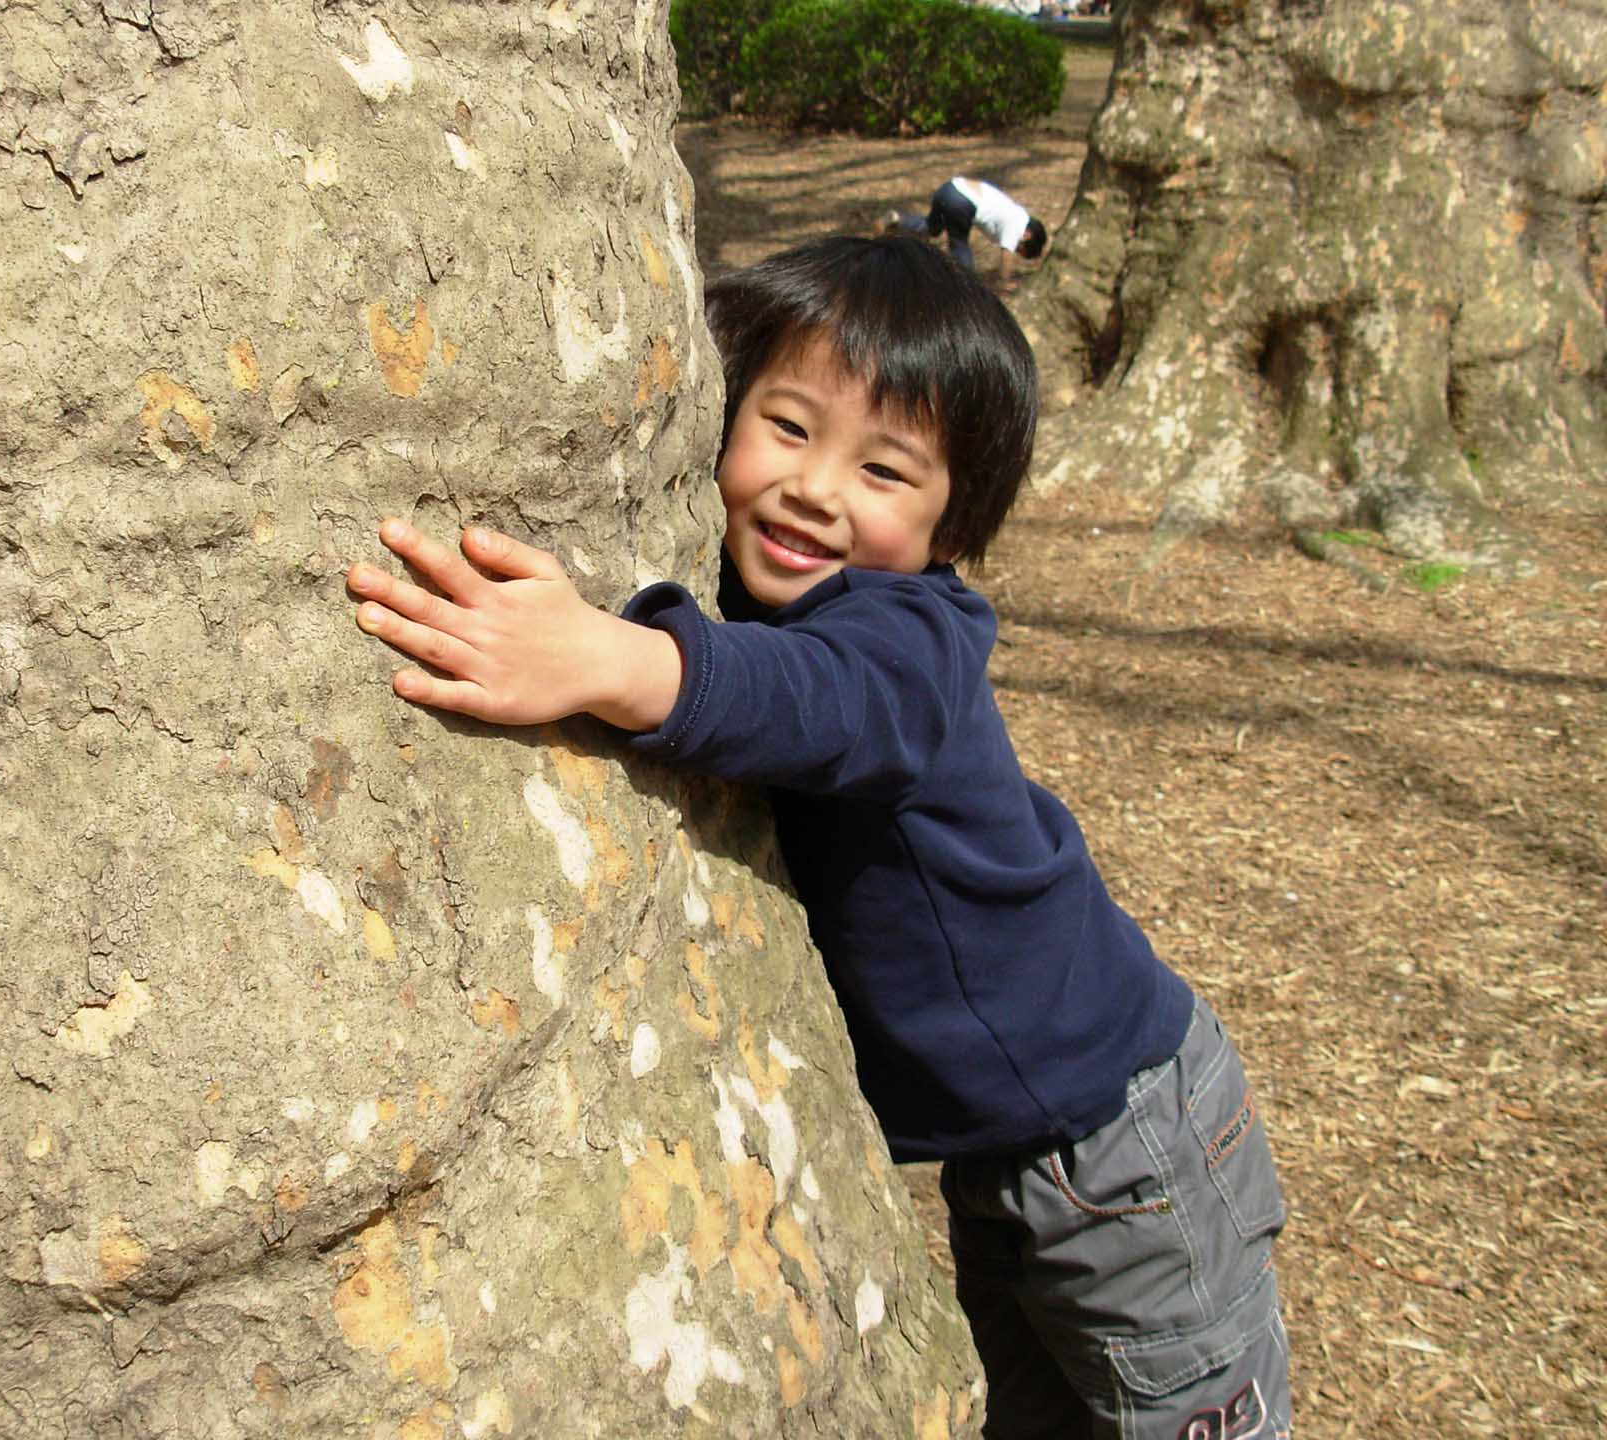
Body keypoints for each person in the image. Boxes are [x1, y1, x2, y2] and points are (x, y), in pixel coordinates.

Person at [344, 234, 1291, 1439]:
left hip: (1125, 1148)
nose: (818, 488)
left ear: (954, 530)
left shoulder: (915, 642)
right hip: (1016, 1155)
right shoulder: (769, 603)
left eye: (886, 471)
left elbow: (817, 701)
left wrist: (606, 657)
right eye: (787, 428)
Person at [880, 175, 1047, 287]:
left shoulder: (1015, 211)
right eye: (1021, 249)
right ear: (1028, 235)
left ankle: (898, 219)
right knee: (960, 246)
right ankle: (966, 287)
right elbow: (1007, 254)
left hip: (950, 188)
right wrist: (1004, 282)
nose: (1017, 250)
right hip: (962, 202)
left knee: (932, 228)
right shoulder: (1018, 222)